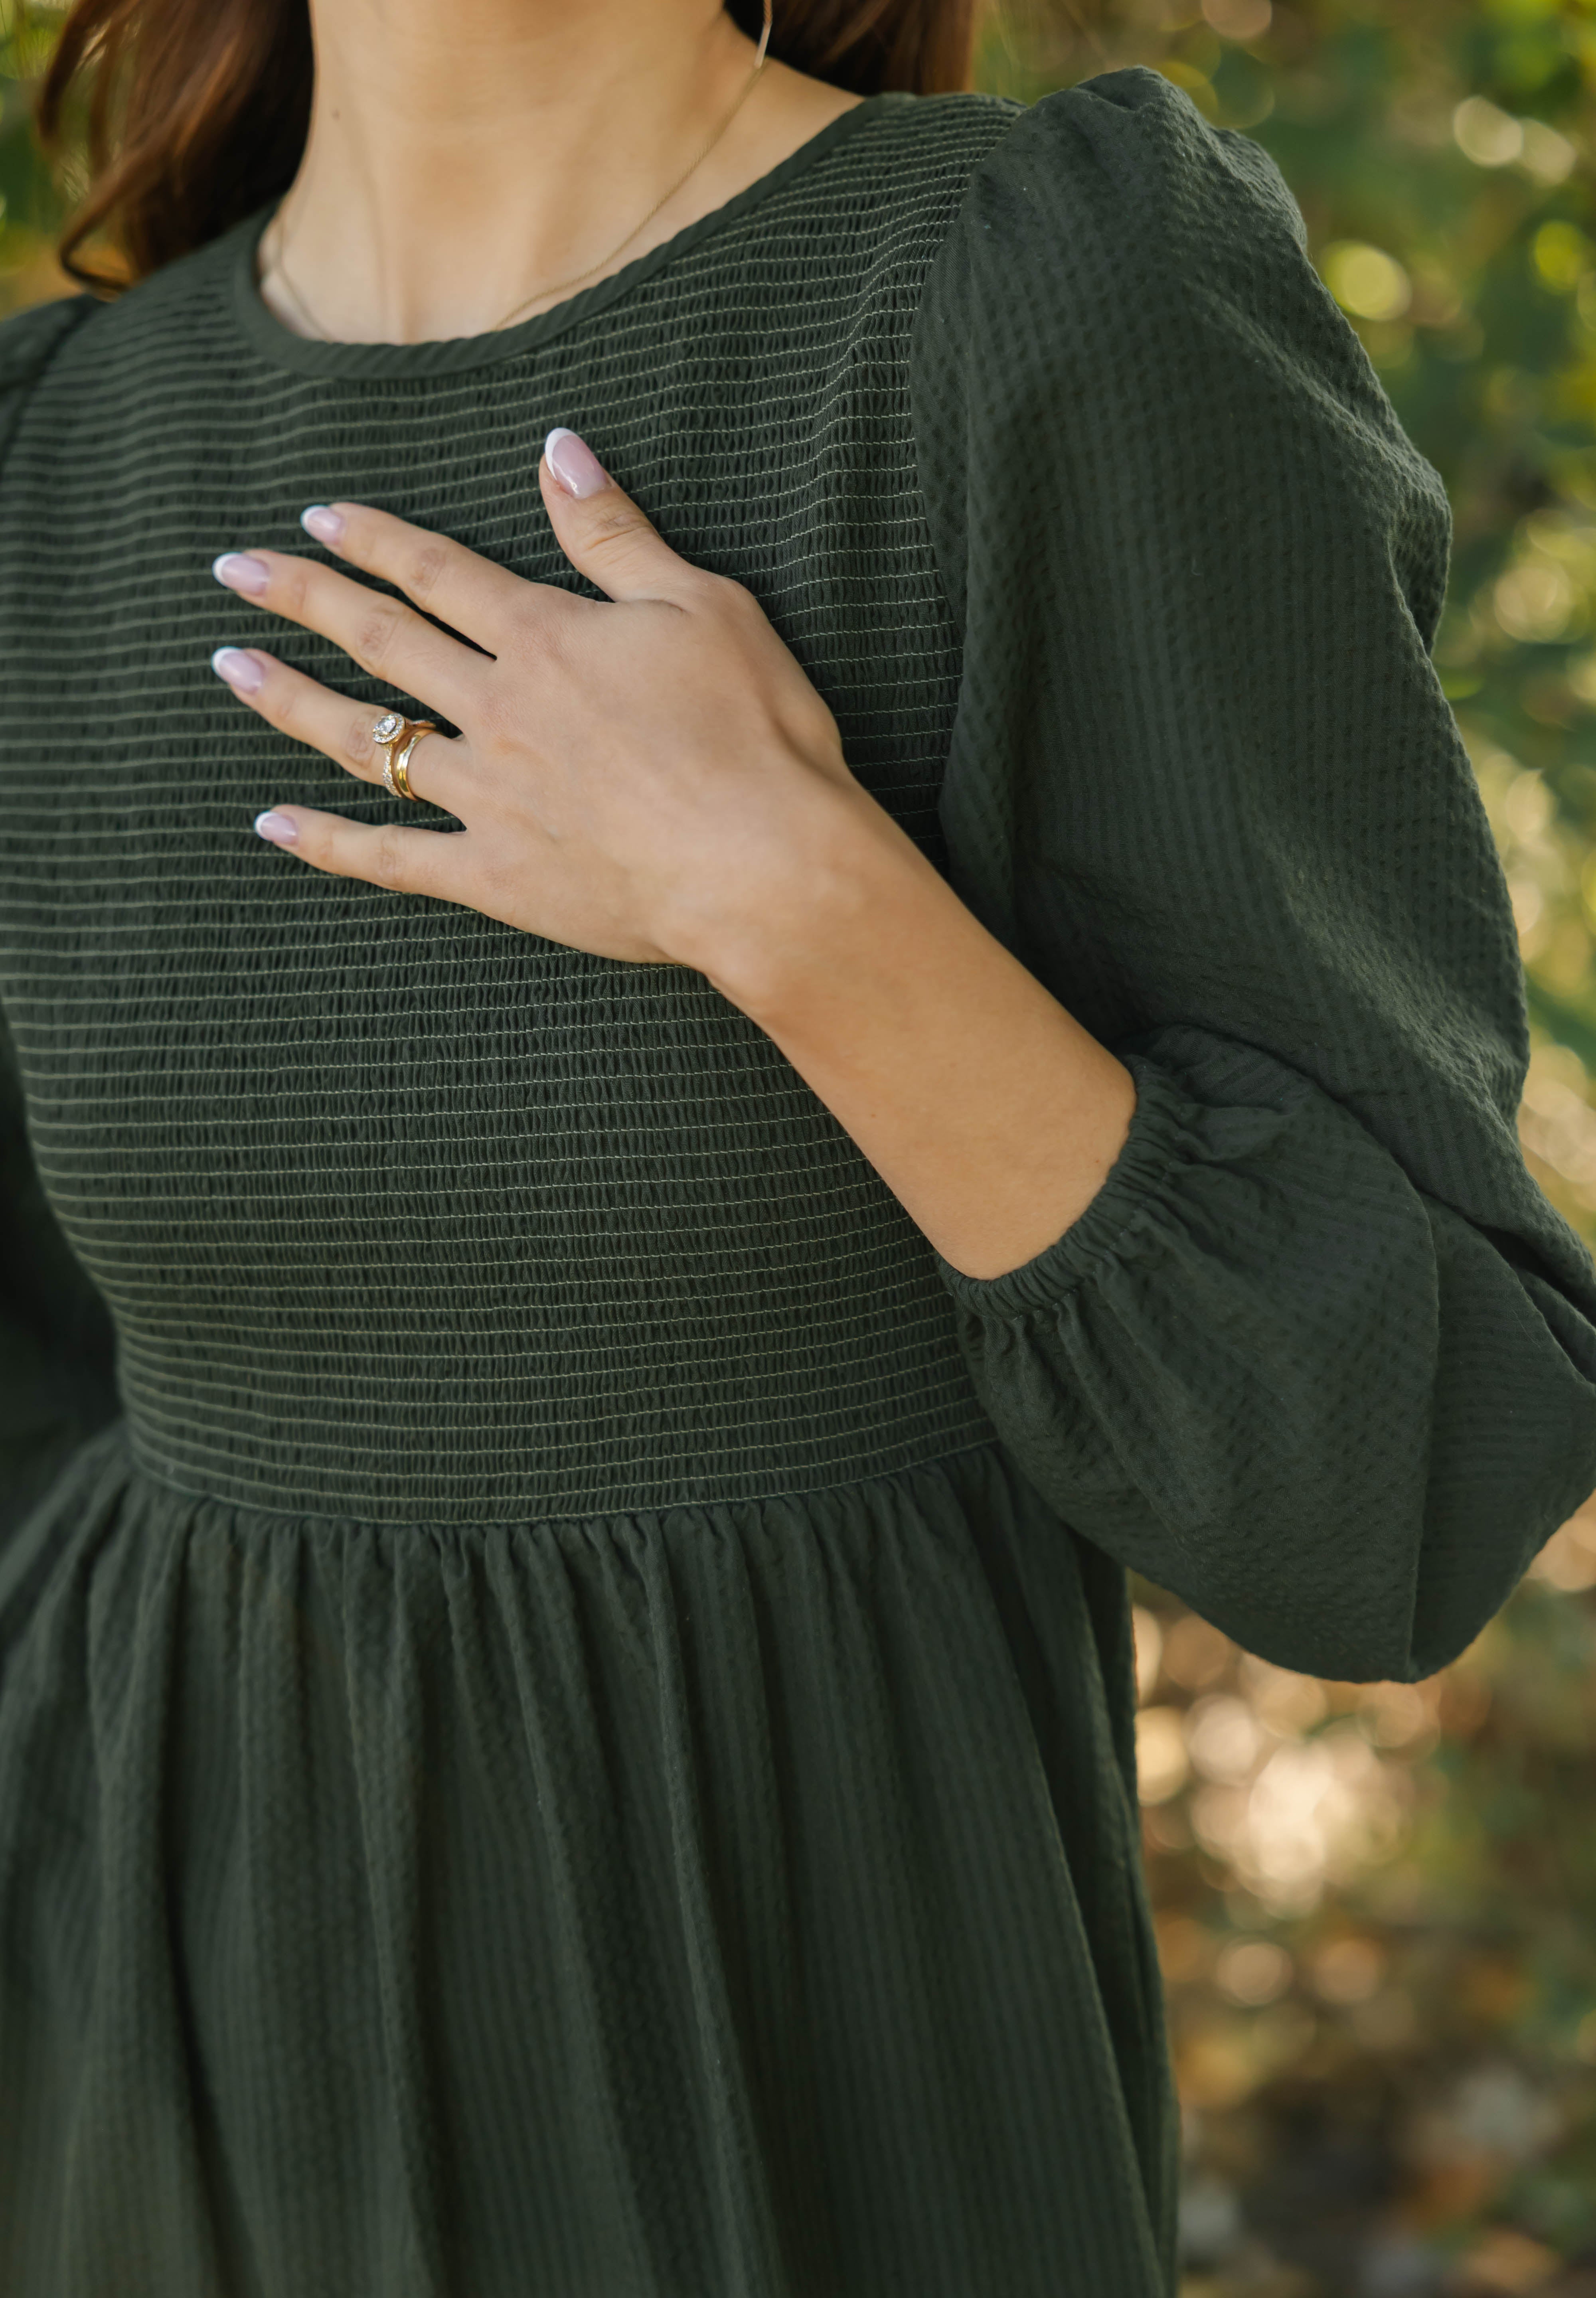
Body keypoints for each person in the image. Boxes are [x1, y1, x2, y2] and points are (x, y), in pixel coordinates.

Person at [0, 0, 1592, 2289]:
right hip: (138, 2130)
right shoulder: (52, 460)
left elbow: (1397, 1481)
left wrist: (793, 897)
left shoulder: (1035, 297)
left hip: (810, 2112)